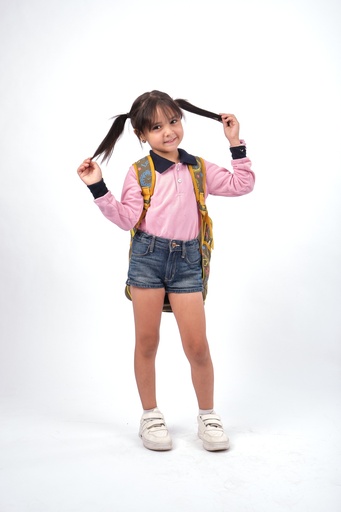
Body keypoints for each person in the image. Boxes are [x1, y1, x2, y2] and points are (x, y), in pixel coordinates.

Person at [77, 90, 255, 452]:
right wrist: (98, 185)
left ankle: (207, 415)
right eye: (156, 127)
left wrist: (235, 144)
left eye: (173, 121)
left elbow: (242, 184)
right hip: (148, 258)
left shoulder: (198, 168)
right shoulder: (139, 173)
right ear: (142, 135)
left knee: (197, 346)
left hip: (188, 262)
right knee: (147, 342)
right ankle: (150, 416)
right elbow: (126, 218)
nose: (168, 131)